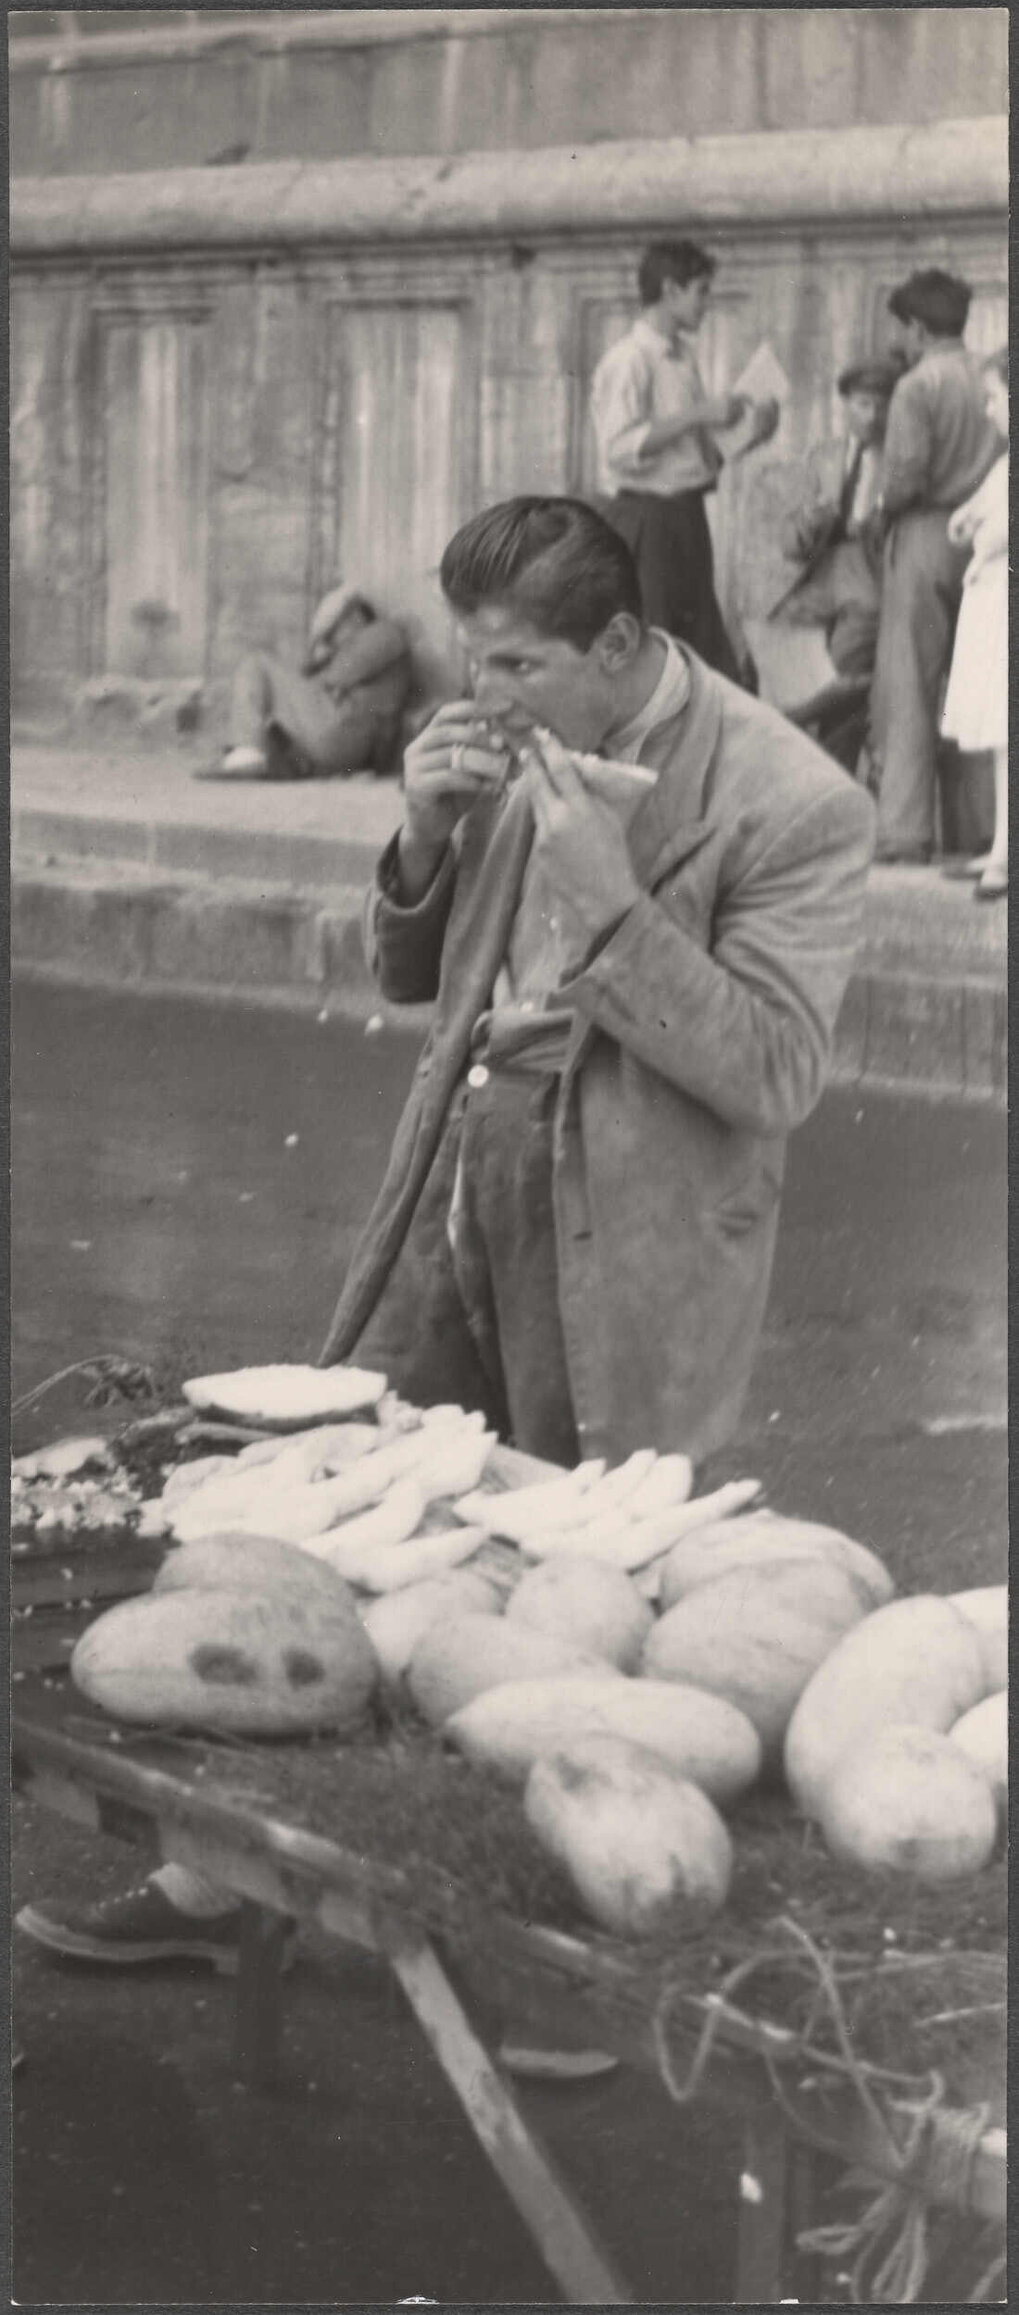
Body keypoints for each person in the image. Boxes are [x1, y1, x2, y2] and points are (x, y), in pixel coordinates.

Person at [17, 498, 874, 1986]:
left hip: (634, 1228)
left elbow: (773, 1071)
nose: (481, 697)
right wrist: (417, 829)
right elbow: (418, 979)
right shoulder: (500, 742)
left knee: (575, 1598)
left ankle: (562, 1962)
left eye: (517, 666)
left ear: (619, 645)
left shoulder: (791, 799)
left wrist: (609, 911)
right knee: (334, 1522)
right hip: (454, 1178)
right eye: (471, 662)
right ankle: (219, 1885)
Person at [590, 240, 779, 678]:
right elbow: (618, 448)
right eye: (701, 291)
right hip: (648, 520)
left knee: (701, 655)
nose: (706, 304)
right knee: (655, 653)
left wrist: (753, 433)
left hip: (686, 518)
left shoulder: (681, 360)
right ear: (671, 290)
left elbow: (695, 459)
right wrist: (700, 413)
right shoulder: (630, 360)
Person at [867, 269, 999, 862]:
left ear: (917, 328)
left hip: (923, 537)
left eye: (903, 329)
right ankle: (980, 830)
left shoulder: (917, 385)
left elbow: (904, 479)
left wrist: (876, 512)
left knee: (909, 685)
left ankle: (905, 831)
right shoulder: (986, 376)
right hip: (985, 538)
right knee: (979, 682)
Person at [771, 355, 903, 772]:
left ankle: (829, 781)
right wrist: (812, 518)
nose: (872, 416)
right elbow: (789, 544)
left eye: (882, 405)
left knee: (842, 682)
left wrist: (875, 523)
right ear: (845, 404)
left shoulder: (900, 462)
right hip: (815, 583)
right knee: (776, 665)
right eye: (863, 404)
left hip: (866, 582)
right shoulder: (822, 457)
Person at [939, 347, 1008, 902]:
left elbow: (996, 534)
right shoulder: (1004, 464)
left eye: (994, 398)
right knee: (994, 735)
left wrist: (982, 537)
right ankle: (1003, 844)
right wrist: (970, 524)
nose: (988, 411)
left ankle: (1007, 851)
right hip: (987, 606)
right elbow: (970, 518)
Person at [217, 583, 412, 780]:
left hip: (343, 733)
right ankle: (253, 754)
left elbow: (337, 675)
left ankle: (247, 752)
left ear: (354, 617)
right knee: (268, 704)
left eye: (331, 633)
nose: (332, 643)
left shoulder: (384, 632)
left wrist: (322, 660)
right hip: (345, 741)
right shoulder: (365, 645)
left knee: (257, 663)